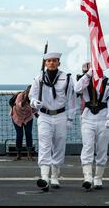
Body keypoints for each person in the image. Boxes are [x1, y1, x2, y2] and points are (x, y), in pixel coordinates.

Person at [29, 52, 76, 192]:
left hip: (60, 115)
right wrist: (34, 102)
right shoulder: (39, 78)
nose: (51, 63)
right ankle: (44, 177)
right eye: (49, 61)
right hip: (44, 115)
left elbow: (72, 99)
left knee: (59, 145)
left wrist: (70, 118)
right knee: (44, 144)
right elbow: (32, 95)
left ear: (59, 63)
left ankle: (55, 175)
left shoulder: (66, 78)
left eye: (54, 61)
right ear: (45, 63)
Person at [74, 62, 109, 190]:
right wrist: (88, 75)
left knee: (102, 149)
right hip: (88, 117)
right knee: (87, 147)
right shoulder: (84, 81)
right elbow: (76, 89)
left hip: (103, 117)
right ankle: (87, 177)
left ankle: (98, 177)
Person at [10, 85, 36, 161]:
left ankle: (29, 154)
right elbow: (21, 105)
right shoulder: (20, 96)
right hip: (17, 116)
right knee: (19, 134)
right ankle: (18, 155)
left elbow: (35, 109)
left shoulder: (34, 98)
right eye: (29, 91)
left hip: (28, 117)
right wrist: (26, 95)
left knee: (29, 134)